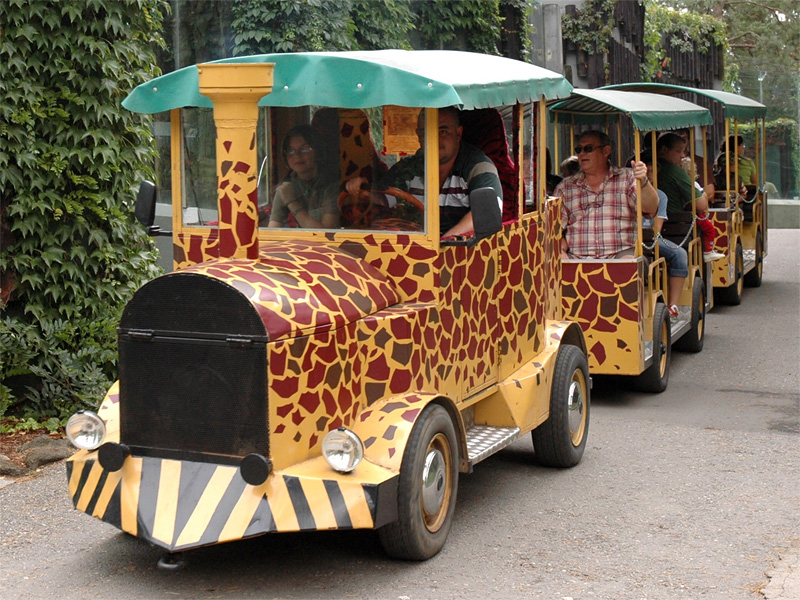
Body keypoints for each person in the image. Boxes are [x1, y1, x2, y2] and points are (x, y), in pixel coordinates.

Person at [345, 107, 502, 238]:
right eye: (426, 132)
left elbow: (485, 213)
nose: (434, 139)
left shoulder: (477, 167)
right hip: (414, 249)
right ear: (419, 135)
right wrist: (361, 189)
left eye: (443, 131)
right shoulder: (407, 168)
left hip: (461, 255)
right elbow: (381, 197)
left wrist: (443, 243)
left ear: (458, 133)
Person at [554, 130, 658, 259]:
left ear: (605, 151)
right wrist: (561, 252)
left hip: (620, 255)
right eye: (578, 149)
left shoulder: (627, 178)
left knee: (627, 265)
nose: (582, 154)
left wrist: (643, 181)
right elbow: (554, 231)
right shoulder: (565, 187)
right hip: (577, 259)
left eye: (588, 148)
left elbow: (651, 209)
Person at [656, 132, 723, 262]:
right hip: (677, 231)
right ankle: (707, 253)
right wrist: (703, 194)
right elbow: (701, 204)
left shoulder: (643, 163)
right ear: (664, 150)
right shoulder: (675, 171)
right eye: (678, 151)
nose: (683, 156)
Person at [640, 151, 689, 320]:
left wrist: (649, 235)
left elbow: (656, 229)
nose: (650, 175)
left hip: (649, 239)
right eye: (647, 171)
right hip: (630, 239)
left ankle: (673, 304)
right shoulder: (626, 192)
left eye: (653, 171)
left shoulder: (661, 196)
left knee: (680, 253)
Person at [268, 125, 340, 228]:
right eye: (291, 151)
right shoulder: (286, 188)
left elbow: (324, 236)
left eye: (305, 149)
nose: (297, 155)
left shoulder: (331, 186)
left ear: (317, 151)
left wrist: (292, 202)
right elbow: (272, 232)